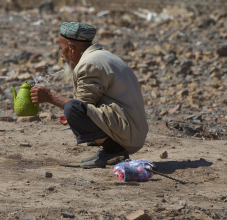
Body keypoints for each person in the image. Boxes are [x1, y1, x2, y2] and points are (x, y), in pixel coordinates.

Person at [31, 21, 149, 168]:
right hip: (131, 128)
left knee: (72, 109)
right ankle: (110, 149)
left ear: (71, 48)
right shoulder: (101, 56)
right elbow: (87, 104)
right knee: (73, 110)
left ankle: (114, 151)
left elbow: (79, 107)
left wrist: (49, 97)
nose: (62, 55)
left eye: (62, 49)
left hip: (129, 133)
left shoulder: (90, 64)